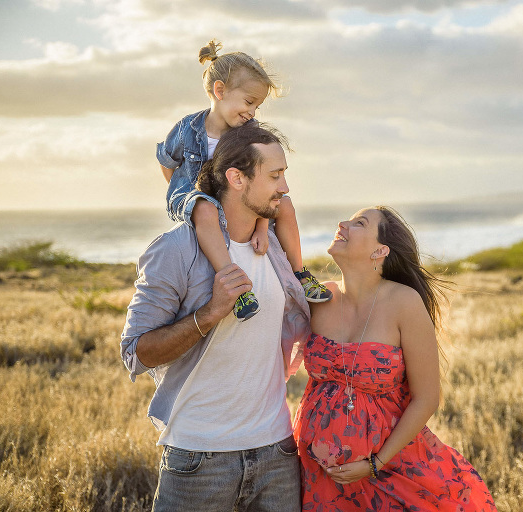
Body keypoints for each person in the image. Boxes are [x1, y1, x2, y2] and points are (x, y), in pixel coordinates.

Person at [121, 123, 309, 511]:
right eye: (275, 176)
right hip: (198, 460)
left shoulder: (274, 247)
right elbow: (135, 353)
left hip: (278, 454)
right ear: (237, 178)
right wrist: (209, 315)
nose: (285, 187)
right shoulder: (175, 250)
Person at [294, 206, 497, 511]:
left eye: (358, 223)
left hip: (391, 469)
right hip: (318, 471)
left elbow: (426, 398)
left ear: (380, 251)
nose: (343, 224)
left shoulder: (403, 302)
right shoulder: (319, 298)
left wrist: (376, 463)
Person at [157, 39, 331, 322]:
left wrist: (262, 226)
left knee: (284, 205)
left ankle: (300, 273)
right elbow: (167, 163)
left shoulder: (249, 132)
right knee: (204, 207)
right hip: (196, 200)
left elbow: (263, 186)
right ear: (220, 91)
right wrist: (182, 195)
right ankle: (235, 287)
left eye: (257, 106)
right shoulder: (186, 129)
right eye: (249, 102)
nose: (252, 112)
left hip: (238, 201)